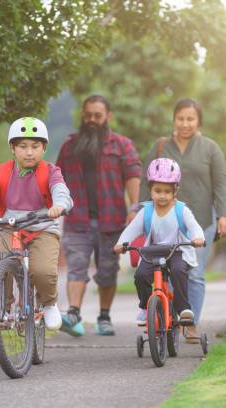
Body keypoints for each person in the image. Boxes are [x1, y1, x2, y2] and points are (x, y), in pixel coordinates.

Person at [0, 117, 73, 331]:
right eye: (22, 146)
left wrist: (59, 205)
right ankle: (4, 310)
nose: (29, 152)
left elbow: (61, 191)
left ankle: (49, 304)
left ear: (44, 148)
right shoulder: (1, 173)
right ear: (12, 148)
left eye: (35, 146)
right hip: (9, 227)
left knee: (43, 271)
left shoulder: (51, 172)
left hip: (43, 227)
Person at [139, 98, 226, 342]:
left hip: (200, 220)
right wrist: (139, 211)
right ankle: (165, 318)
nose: (185, 123)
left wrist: (223, 215)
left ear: (198, 121)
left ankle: (190, 324)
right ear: (174, 119)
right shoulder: (161, 146)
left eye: (190, 119)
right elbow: (145, 181)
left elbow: (220, 185)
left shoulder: (210, 148)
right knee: (164, 270)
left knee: (195, 273)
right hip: (163, 220)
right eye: (181, 118)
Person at [56, 95, 142, 336]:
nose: (92, 120)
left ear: (108, 117)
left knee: (107, 271)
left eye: (97, 115)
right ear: (82, 116)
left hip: (112, 221)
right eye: (88, 115)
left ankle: (104, 317)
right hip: (77, 220)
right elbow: (56, 178)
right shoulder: (69, 146)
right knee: (76, 268)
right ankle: (74, 314)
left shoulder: (122, 145)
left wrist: (134, 207)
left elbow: (133, 174)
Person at [115, 158, 205, 325]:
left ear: (175, 192)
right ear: (150, 190)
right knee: (141, 276)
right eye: (158, 191)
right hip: (153, 251)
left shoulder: (181, 210)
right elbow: (131, 229)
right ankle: (145, 307)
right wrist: (121, 243)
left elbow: (194, 227)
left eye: (167, 191)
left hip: (177, 251)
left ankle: (183, 308)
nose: (162, 195)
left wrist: (198, 237)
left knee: (179, 272)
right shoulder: (146, 211)